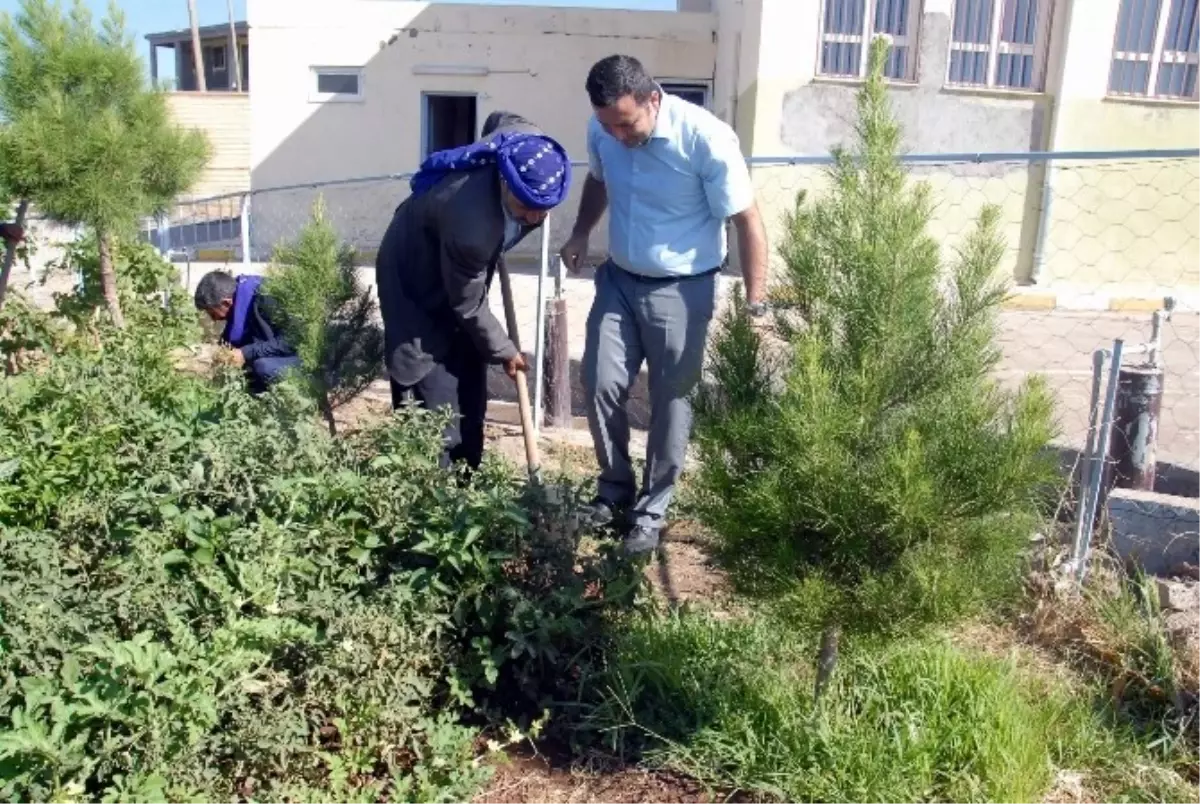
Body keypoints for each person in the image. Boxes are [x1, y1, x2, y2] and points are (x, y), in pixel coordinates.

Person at [560, 55, 769, 556]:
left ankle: (652, 512)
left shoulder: (706, 139)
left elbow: (748, 220)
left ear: (653, 99)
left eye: (625, 124)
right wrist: (582, 230)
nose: (617, 136)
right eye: (607, 125)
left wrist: (756, 304)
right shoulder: (604, 128)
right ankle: (614, 491)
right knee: (599, 379)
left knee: (671, 403)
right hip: (619, 281)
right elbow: (599, 179)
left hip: (682, 289)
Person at [375, 112, 572, 470]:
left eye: (543, 210)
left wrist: (490, 346)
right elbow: (467, 304)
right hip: (412, 270)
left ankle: (469, 466)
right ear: (505, 182)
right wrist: (505, 349)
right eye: (525, 208)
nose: (534, 219)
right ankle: (430, 474)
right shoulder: (473, 227)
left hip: (458, 260)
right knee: (424, 362)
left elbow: (501, 118)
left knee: (468, 360)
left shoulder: (528, 146)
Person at [193, 270, 301, 394]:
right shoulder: (240, 300)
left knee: (263, 367)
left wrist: (245, 353)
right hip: (282, 354)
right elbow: (229, 343)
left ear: (226, 303)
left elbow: (294, 339)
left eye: (212, 312)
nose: (213, 319)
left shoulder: (266, 298)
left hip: (306, 357)